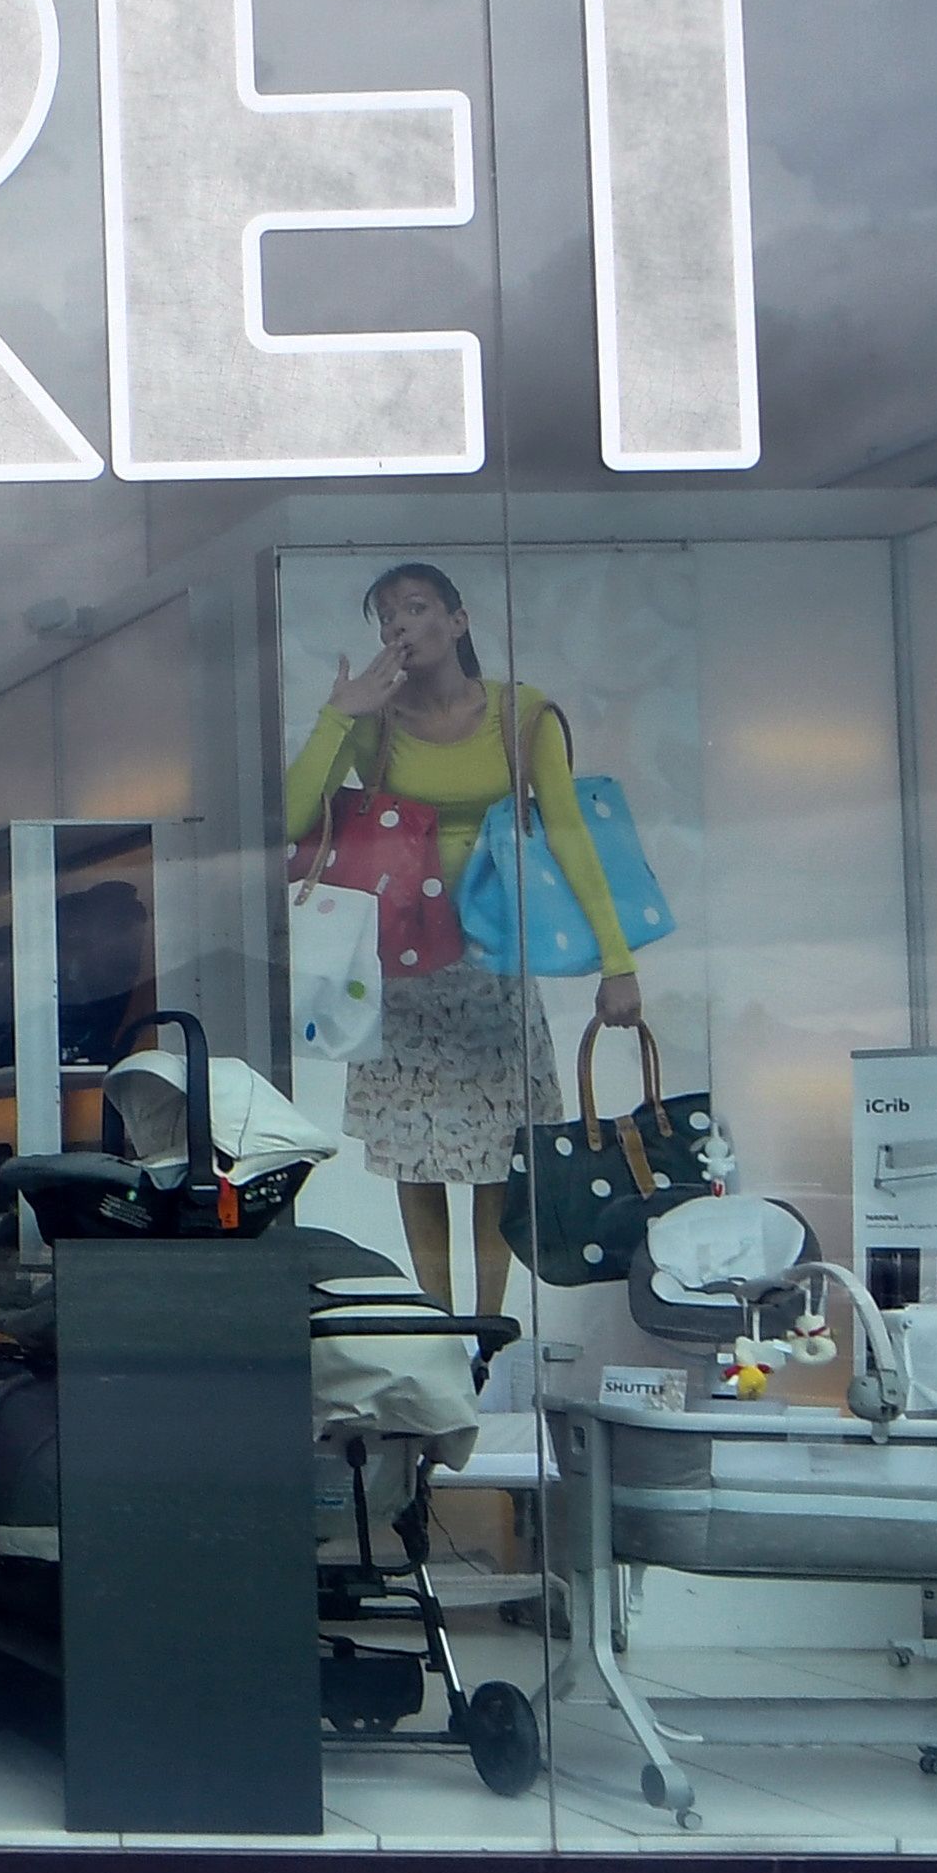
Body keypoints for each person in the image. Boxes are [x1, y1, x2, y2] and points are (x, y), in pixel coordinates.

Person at [282, 560, 643, 1314]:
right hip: (404, 955)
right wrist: (339, 713)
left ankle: (485, 1323)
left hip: (496, 952)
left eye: (416, 609)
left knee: (497, 1147)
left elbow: (570, 834)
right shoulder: (374, 718)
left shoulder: (522, 713)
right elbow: (288, 820)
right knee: (416, 1148)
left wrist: (618, 961)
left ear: (458, 619)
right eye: (386, 618)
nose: (400, 628)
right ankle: (434, 1320)